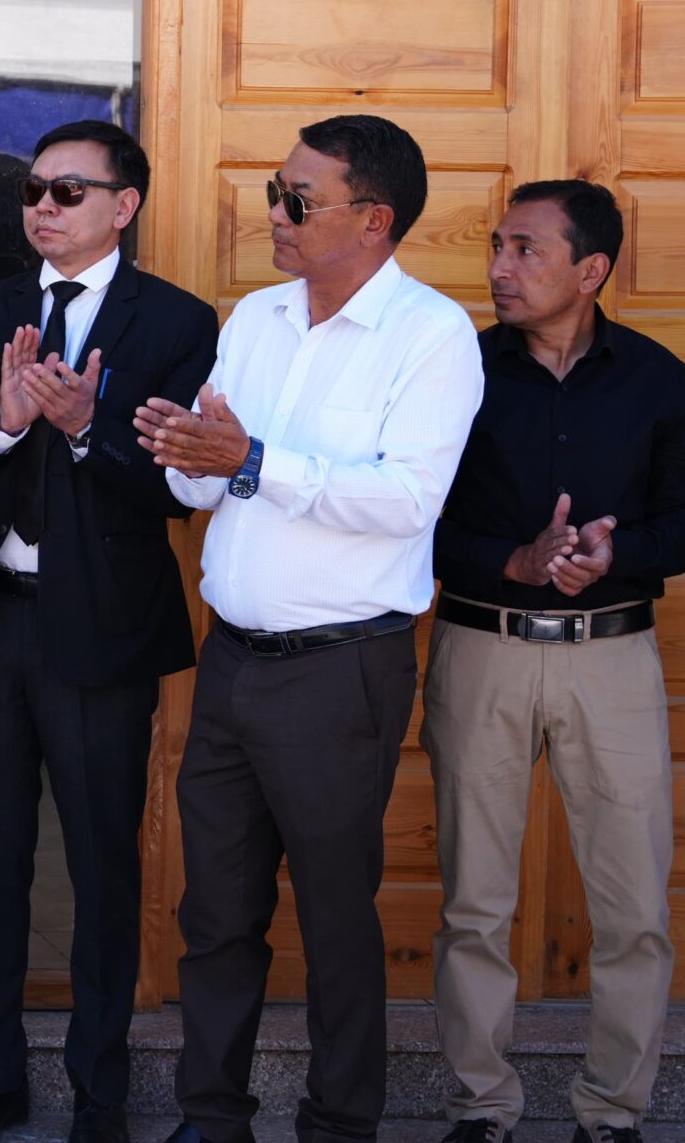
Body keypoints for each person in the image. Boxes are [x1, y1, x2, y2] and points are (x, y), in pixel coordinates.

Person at [134, 115, 482, 1143]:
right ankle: (211, 1117)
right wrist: (189, 454)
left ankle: (337, 1125)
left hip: (340, 672)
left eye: (298, 198)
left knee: (334, 919)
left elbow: (406, 500)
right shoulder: (254, 318)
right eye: (274, 190)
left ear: (372, 220)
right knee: (215, 913)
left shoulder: (430, 336)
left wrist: (247, 460)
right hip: (231, 661)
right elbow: (206, 482)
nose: (272, 212)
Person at [0, 121, 218, 1143]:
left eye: (66, 191)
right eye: (33, 192)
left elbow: (184, 488)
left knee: (102, 866)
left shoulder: (178, 323)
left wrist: (84, 430)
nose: (41, 209)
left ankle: (99, 1095)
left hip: (101, 633)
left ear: (123, 206)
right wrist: (8, 422)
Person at [425, 180, 675, 1143]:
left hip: (613, 660)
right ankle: (480, 1108)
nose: (499, 267)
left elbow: (682, 515)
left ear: (591, 269)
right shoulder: (455, 370)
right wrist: (510, 561)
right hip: (480, 648)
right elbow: (407, 517)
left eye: (526, 249)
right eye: (496, 245)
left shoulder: (658, 379)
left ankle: (610, 1114)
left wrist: (623, 552)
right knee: (474, 903)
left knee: (633, 907)